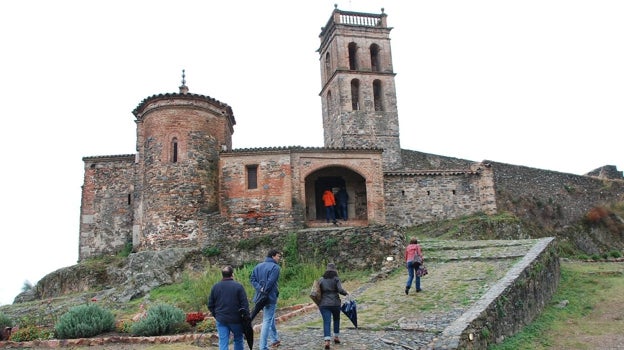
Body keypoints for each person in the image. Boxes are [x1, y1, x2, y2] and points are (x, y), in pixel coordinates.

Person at [208, 265, 250, 350]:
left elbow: (210, 305)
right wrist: (246, 318)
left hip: (221, 319)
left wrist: (217, 315)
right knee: (238, 339)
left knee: (223, 342)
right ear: (232, 274)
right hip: (236, 319)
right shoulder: (238, 286)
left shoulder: (215, 287)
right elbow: (244, 305)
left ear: (222, 275)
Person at [250, 249, 282, 350]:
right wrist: (264, 290)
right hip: (270, 297)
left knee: (269, 317)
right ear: (273, 256)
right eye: (278, 256)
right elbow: (271, 281)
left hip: (260, 298)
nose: (279, 258)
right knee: (267, 321)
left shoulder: (258, 266)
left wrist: (259, 288)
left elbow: (252, 279)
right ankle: (263, 347)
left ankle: (274, 339)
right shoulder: (275, 267)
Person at [318, 263, 349, 349]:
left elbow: (317, 291)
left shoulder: (321, 279)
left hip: (324, 304)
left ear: (326, 270)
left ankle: (327, 341)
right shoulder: (336, 279)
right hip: (335, 303)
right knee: (336, 319)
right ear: (334, 270)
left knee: (326, 321)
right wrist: (346, 293)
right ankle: (336, 337)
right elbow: (340, 290)